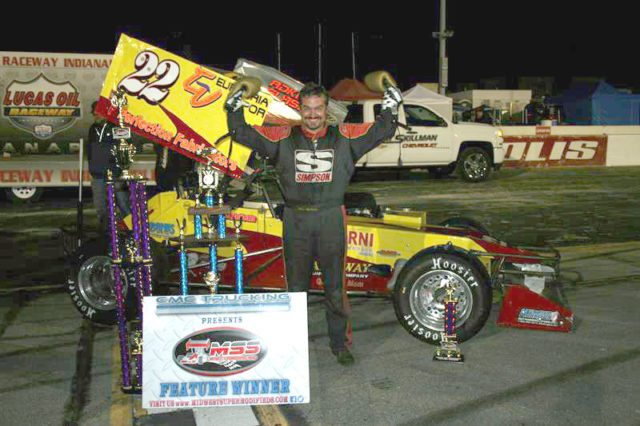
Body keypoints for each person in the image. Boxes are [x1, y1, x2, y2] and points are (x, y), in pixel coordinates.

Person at [225, 82, 401, 365]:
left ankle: (340, 345)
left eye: (318, 108)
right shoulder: (282, 137)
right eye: (307, 108)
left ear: (326, 109)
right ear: (300, 109)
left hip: (331, 217)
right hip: (296, 220)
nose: (313, 114)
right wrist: (234, 107)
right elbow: (243, 132)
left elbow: (381, 130)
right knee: (295, 290)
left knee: (334, 288)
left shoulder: (344, 136)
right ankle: (291, 348)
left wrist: (391, 105)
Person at [87, 101, 130, 231]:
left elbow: (126, 148)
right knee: (100, 205)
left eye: (98, 114)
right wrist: (91, 168)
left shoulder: (117, 127)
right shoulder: (92, 128)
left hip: (115, 173)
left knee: (122, 203)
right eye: (94, 115)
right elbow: (90, 150)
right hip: (97, 173)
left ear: (105, 113)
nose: (96, 117)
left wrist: (123, 168)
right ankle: (105, 230)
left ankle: (129, 228)